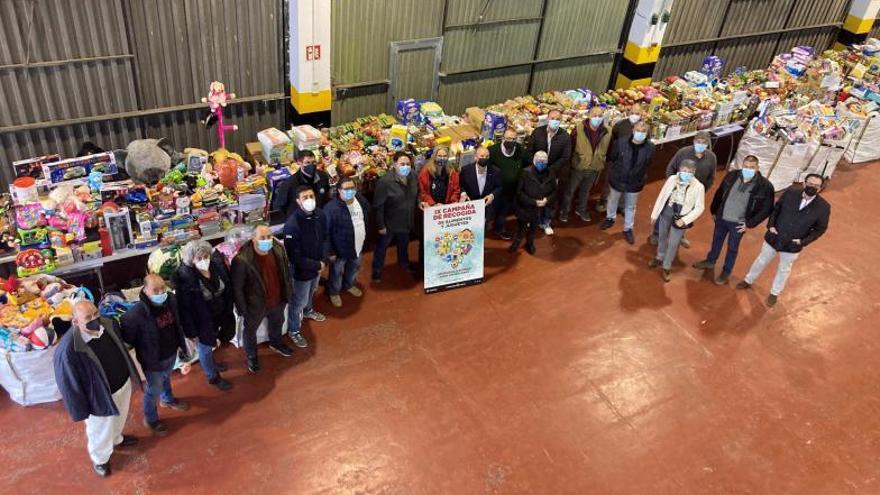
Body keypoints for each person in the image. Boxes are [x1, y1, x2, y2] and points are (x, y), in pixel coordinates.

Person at [54, 300, 142, 477]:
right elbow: (69, 384)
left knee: (120, 416)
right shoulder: (68, 350)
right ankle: (100, 459)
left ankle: (117, 438)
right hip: (99, 396)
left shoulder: (108, 325)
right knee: (99, 430)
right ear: (75, 322)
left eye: (95, 314)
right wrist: (80, 410)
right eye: (88, 317)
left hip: (121, 384)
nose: (95, 319)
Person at [736, 174, 830, 306]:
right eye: (810, 183)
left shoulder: (823, 207)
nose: (812, 187)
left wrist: (803, 241)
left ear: (820, 188)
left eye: (816, 186)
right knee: (761, 260)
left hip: (792, 245)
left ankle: (774, 293)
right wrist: (771, 225)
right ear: (804, 184)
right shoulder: (791, 192)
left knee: (784, 269)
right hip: (774, 236)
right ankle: (748, 280)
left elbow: (820, 229)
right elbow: (776, 209)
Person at [121, 274, 192, 436]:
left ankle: (167, 399)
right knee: (153, 389)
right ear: (145, 291)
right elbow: (128, 339)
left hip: (170, 352)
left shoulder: (171, 301)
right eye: (155, 290)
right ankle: (151, 419)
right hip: (153, 360)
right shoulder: (135, 315)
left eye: (162, 288)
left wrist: (182, 347)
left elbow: (177, 325)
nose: (161, 292)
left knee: (166, 378)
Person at [692, 155, 774, 285]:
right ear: (742, 166)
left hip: (738, 224)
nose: (748, 169)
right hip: (722, 218)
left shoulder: (765, 186)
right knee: (716, 242)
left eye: (752, 167)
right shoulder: (732, 176)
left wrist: (749, 224)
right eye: (746, 166)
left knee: (732, 248)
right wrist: (714, 210)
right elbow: (720, 192)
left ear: (758, 168)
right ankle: (710, 261)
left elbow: (766, 209)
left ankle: (726, 271)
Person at [231, 224, 294, 372]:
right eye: (262, 237)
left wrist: (287, 292)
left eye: (269, 236)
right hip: (255, 305)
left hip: (277, 299)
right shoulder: (242, 260)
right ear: (253, 239)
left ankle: (276, 343)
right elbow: (237, 287)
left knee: (277, 322)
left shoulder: (278, 249)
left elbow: (284, 272)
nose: (267, 240)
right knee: (250, 331)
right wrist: (242, 309)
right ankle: (251, 356)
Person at [175, 240, 234, 391]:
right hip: (201, 322)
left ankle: (212, 365)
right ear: (191, 260)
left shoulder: (215, 267)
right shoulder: (186, 279)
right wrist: (191, 332)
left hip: (217, 316)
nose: (204, 261)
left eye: (206, 256)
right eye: (199, 258)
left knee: (213, 344)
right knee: (205, 349)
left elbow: (225, 287)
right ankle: (212, 376)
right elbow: (185, 309)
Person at [650, 131, 718, 246]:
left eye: (704, 142)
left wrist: (701, 192)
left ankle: (680, 235)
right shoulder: (683, 152)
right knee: (666, 213)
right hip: (676, 191)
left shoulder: (711, 157)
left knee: (687, 215)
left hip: (693, 193)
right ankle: (657, 234)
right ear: (694, 141)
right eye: (698, 141)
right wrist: (672, 185)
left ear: (707, 144)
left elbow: (711, 177)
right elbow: (671, 168)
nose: (700, 144)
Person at [283, 186, 328, 347]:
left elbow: (324, 238)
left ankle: (309, 311)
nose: (309, 200)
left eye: (311, 196)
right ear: (298, 201)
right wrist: (318, 264)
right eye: (305, 197)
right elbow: (295, 257)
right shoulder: (292, 225)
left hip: (317, 266)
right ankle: (294, 330)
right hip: (302, 271)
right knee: (298, 302)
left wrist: (323, 260)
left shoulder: (320, 215)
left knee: (312, 291)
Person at [647, 160, 706, 282]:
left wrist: (685, 220)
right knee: (662, 236)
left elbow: (700, 207)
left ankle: (667, 266)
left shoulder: (698, 186)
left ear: (694, 172)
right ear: (680, 169)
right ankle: (659, 257)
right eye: (684, 170)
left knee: (673, 243)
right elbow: (662, 195)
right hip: (666, 211)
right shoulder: (672, 179)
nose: (686, 173)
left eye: (689, 171)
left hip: (681, 216)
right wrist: (655, 213)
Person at [600, 120, 656, 244]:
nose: (640, 133)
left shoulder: (650, 148)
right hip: (617, 178)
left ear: (647, 133)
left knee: (630, 206)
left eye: (643, 131)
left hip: (635, 182)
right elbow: (612, 158)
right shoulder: (621, 143)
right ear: (633, 130)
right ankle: (610, 217)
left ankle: (628, 228)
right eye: (638, 130)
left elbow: (648, 164)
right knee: (612, 199)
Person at [372, 151, 419, 282]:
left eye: (408, 164)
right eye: (402, 164)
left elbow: (417, 194)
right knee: (382, 248)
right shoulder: (385, 182)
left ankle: (404, 264)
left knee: (404, 244)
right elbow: (378, 206)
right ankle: (377, 270)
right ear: (394, 165)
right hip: (389, 224)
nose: (405, 167)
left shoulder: (414, 176)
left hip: (406, 220)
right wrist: (381, 226)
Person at [560, 106, 611, 223]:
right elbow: (571, 147)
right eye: (594, 115)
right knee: (570, 191)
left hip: (594, 167)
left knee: (586, 190)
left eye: (600, 115)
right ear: (589, 115)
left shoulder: (607, 131)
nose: (597, 118)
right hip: (578, 166)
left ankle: (581, 209)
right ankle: (564, 211)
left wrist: (601, 161)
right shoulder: (578, 129)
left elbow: (608, 149)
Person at [324, 177, 369, 308]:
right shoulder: (331, 209)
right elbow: (325, 233)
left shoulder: (359, 199)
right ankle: (334, 292)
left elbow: (367, 212)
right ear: (339, 191)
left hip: (358, 244)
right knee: (337, 271)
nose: (350, 191)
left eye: (352, 188)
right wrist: (330, 252)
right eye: (346, 189)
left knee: (354, 266)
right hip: (340, 249)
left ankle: (349, 284)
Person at [527, 108, 571, 235]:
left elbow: (565, 157)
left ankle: (546, 222)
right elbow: (529, 150)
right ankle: (532, 220)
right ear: (547, 119)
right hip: (535, 172)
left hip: (552, 173)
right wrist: (536, 165)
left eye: (557, 119)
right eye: (552, 118)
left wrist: (550, 169)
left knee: (549, 199)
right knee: (534, 196)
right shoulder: (537, 132)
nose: (554, 121)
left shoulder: (565, 136)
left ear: (561, 121)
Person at [509, 151, 557, 255]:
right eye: (539, 160)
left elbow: (554, 191)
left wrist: (547, 200)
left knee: (533, 229)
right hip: (524, 208)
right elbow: (519, 192)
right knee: (521, 228)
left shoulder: (551, 173)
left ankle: (529, 244)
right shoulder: (525, 172)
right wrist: (533, 202)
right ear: (534, 161)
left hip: (539, 210)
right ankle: (516, 243)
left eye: (544, 161)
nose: (541, 163)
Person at [488, 128, 527, 239]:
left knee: (504, 210)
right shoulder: (493, 150)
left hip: (512, 189)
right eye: (508, 138)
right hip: (496, 189)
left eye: (514, 139)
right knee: (491, 211)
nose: (511, 141)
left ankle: (499, 229)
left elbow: (528, 161)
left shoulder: (520, 149)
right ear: (503, 138)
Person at [272, 150, 332, 217]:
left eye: (313, 162)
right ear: (299, 163)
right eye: (307, 163)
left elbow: (327, 197)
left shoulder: (323, 177)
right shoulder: (290, 184)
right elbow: (279, 206)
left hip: (319, 218)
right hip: (299, 221)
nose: (311, 165)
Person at [459, 146, 502, 228]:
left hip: (486, 206)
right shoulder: (466, 170)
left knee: (483, 228)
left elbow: (499, 187)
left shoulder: (495, 171)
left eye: (487, 156)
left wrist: (492, 195)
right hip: (470, 205)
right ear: (475, 157)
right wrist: (463, 193)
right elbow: (460, 185)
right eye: (482, 156)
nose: (484, 158)